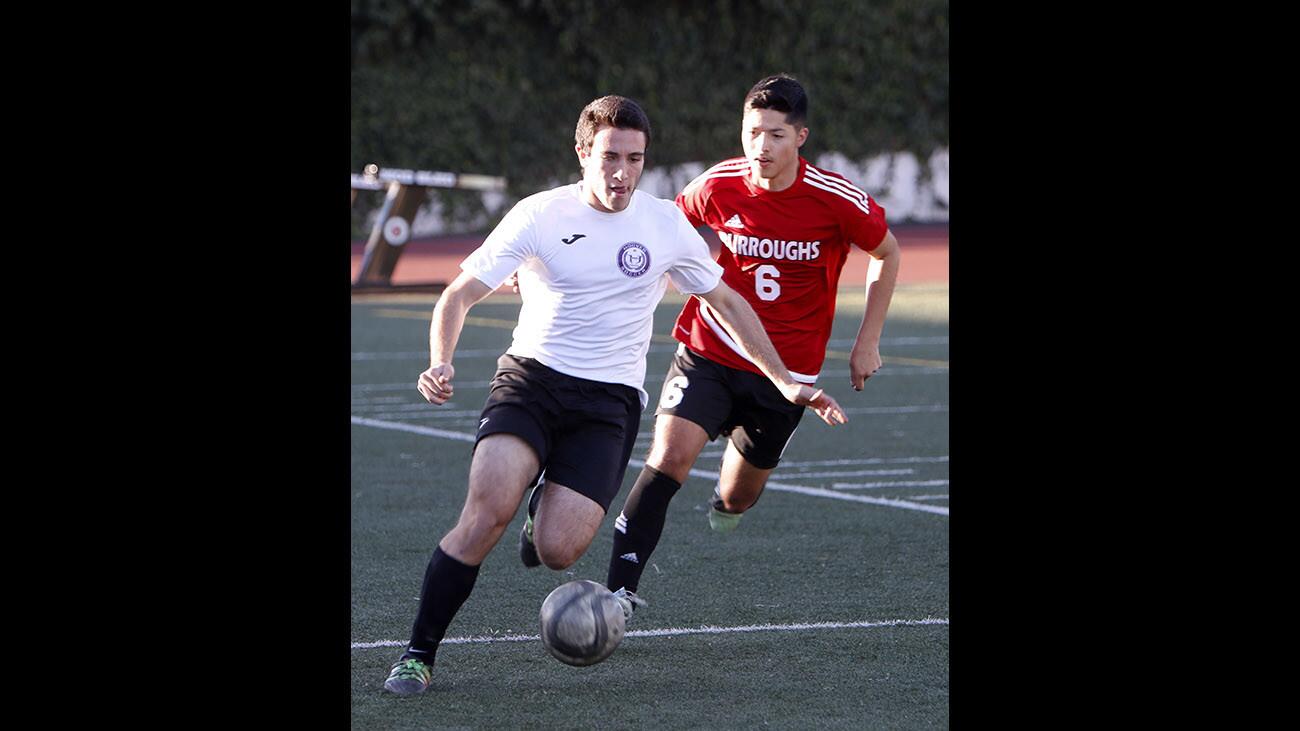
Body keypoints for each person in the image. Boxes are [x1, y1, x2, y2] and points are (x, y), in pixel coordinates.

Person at [383, 94, 846, 696]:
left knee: (557, 551)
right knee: (484, 513)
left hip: (607, 407)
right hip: (531, 382)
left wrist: (783, 377)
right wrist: (439, 362)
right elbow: (459, 294)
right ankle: (418, 656)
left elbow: (727, 301)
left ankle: (541, 505)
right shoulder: (539, 214)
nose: (623, 172)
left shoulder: (661, 223)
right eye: (610, 157)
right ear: (583, 153)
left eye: (636, 158)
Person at [602, 74, 902, 611]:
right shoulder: (719, 184)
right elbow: (665, 227)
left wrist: (867, 341)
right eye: (753, 131)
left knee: (739, 498)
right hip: (710, 347)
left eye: (777, 135)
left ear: (801, 137)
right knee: (669, 456)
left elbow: (888, 253)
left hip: (787, 376)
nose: (761, 146)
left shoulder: (835, 199)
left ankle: (727, 500)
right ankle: (619, 591)